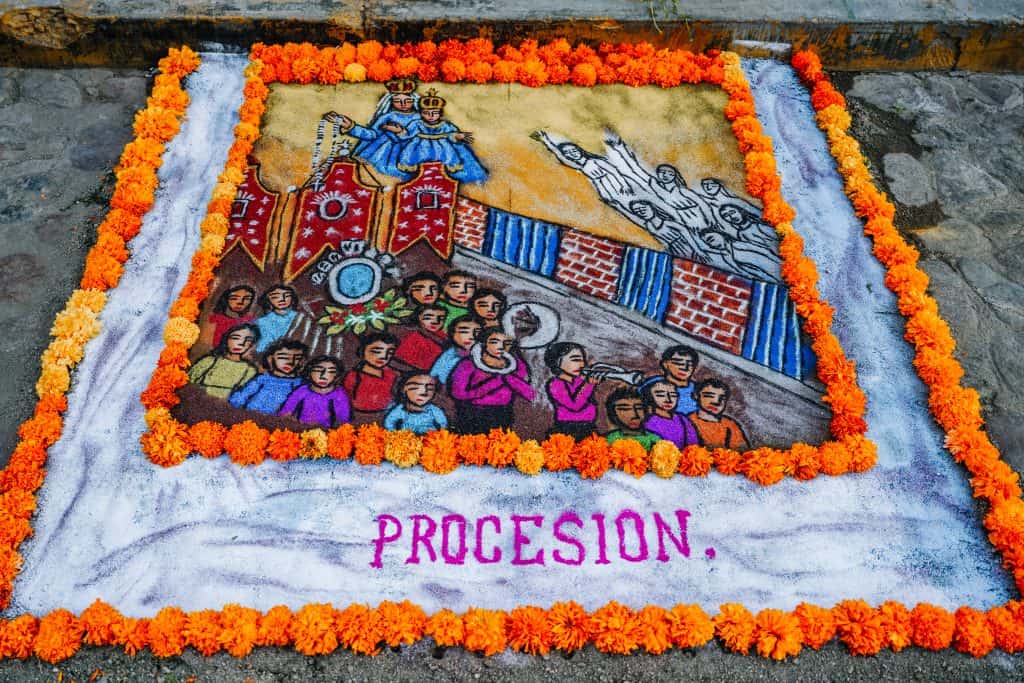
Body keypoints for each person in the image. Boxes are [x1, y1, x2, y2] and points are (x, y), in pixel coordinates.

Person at [331, 78, 421, 178]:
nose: (403, 104)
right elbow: (372, 134)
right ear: (390, 101)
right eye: (398, 101)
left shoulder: (419, 118)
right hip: (383, 152)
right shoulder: (386, 116)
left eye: (407, 101)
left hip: (410, 152)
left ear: (414, 101)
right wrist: (351, 127)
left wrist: (402, 132)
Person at [449, 328, 534, 433]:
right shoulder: (468, 364)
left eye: (506, 343)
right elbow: (458, 393)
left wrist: (508, 378)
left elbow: (528, 393)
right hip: (473, 413)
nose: (501, 347)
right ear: (484, 343)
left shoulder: (516, 365)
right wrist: (492, 384)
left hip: (503, 412)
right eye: (494, 342)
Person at [395, 89, 488, 183]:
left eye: (434, 113)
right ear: (421, 113)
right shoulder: (417, 123)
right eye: (426, 113)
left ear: (440, 113)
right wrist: (401, 131)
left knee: (445, 166)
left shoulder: (445, 125)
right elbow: (407, 134)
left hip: (443, 149)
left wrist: (456, 136)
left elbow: (451, 133)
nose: (430, 116)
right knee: (417, 167)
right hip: (419, 148)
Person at [532, 130, 632, 210]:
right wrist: (545, 140)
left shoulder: (595, 161)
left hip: (615, 185)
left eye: (573, 150)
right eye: (568, 153)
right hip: (604, 189)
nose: (572, 154)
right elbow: (559, 155)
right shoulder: (581, 167)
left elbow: (614, 171)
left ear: (579, 150)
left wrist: (624, 185)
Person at [228, 340, 308, 414]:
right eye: (283, 357)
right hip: (251, 414)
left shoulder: (298, 384)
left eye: (297, 359)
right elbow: (242, 396)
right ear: (270, 358)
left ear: (302, 362)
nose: (290, 362)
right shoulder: (263, 378)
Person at [544, 342, 600, 440]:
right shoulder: (555, 384)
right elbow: (575, 406)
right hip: (567, 429)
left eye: (583, 361)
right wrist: (589, 384)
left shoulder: (579, 380)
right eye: (575, 360)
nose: (581, 364)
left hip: (589, 427)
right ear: (557, 361)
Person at [187, 323, 259, 399]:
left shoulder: (249, 370)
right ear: (226, 339)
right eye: (236, 338)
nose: (241, 343)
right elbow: (188, 382)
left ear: (251, 344)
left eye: (248, 340)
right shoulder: (209, 361)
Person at [277, 356, 352, 428]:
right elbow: (285, 413)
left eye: (331, 372)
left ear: (337, 375)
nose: (324, 376)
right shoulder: (302, 390)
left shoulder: (339, 394)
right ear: (309, 372)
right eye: (318, 370)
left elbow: (344, 421)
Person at [698, 228, 781, 283]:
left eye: (711, 239)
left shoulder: (740, 246)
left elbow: (768, 255)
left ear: (721, 234)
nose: (712, 244)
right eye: (708, 243)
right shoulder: (726, 257)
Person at [343, 332, 399, 413]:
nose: (384, 357)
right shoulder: (353, 377)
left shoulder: (392, 375)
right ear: (362, 351)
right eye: (376, 351)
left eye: (390, 352)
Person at [688, 378, 750, 449]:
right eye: (709, 396)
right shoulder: (688, 422)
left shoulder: (730, 425)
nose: (716, 402)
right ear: (696, 396)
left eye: (722, 398)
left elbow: (742, 450)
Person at [640, 345, 700, 415]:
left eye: (689, 364)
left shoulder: (698, 391)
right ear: (665, 364)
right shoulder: (653, 384)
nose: (684, 368)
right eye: (678, 363)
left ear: (695, 369)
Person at [383, 373, 448, 435]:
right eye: (414, 388)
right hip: (407, 438)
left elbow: (443, 422)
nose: (423, 392)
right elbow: (389, 422)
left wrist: (441, 435)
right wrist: (393, 434)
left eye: (430, 389)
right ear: (403, 390)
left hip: (429, 438)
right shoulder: (401, 408)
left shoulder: (432, 409)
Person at [642, 380, 700, 448]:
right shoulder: (646, 421)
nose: (669, 400)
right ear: (649, 397)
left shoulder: (682, 419)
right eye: (661, 395)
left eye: (673, 395)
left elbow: (693, 445)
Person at [429, 314, 483, 385]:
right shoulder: (450, 354)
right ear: (453, 333)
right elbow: (435, 375)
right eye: (464, 332)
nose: (471, 337)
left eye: (477, 332)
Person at [394, 304, 447, 371]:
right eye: (428, 318)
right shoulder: (413, 339)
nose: (436, 322)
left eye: (441, 318)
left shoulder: (444, 336)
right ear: (418, 318)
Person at [253, 284, 301, 353]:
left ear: (292, 299)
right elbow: (262, 347)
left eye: (287, 296)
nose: (282, 299)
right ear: (268, 299)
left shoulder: (300, 317)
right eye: (275, 296)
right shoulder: (262, 322)